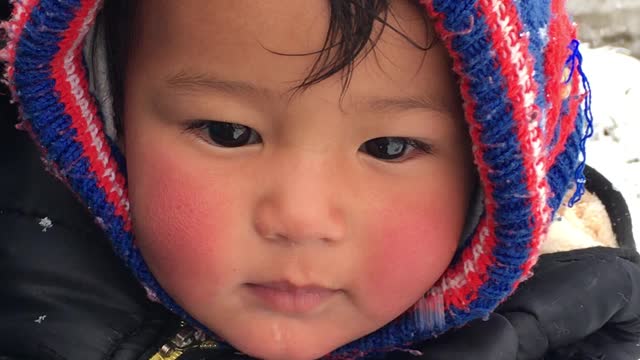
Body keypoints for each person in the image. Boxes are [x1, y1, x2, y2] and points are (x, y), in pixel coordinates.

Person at [0, 0, 639, 359]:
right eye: (228, 133)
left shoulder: (579, 333)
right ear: (105, 130)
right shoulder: (30, 311)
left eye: (389, 147)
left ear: (490, 185)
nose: (301, 218)